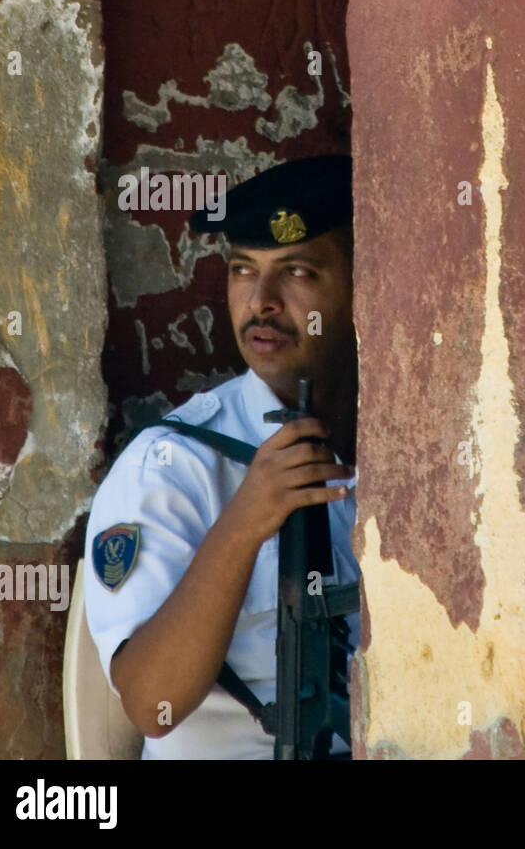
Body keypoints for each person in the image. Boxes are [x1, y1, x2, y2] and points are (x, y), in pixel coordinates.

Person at [83, 155, 360, 758]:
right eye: (242, 270)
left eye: (298, 272)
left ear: (365, 287)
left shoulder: (411, 452)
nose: (260, 301)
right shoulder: (173, 467)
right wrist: (244, 523)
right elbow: (152, 703)